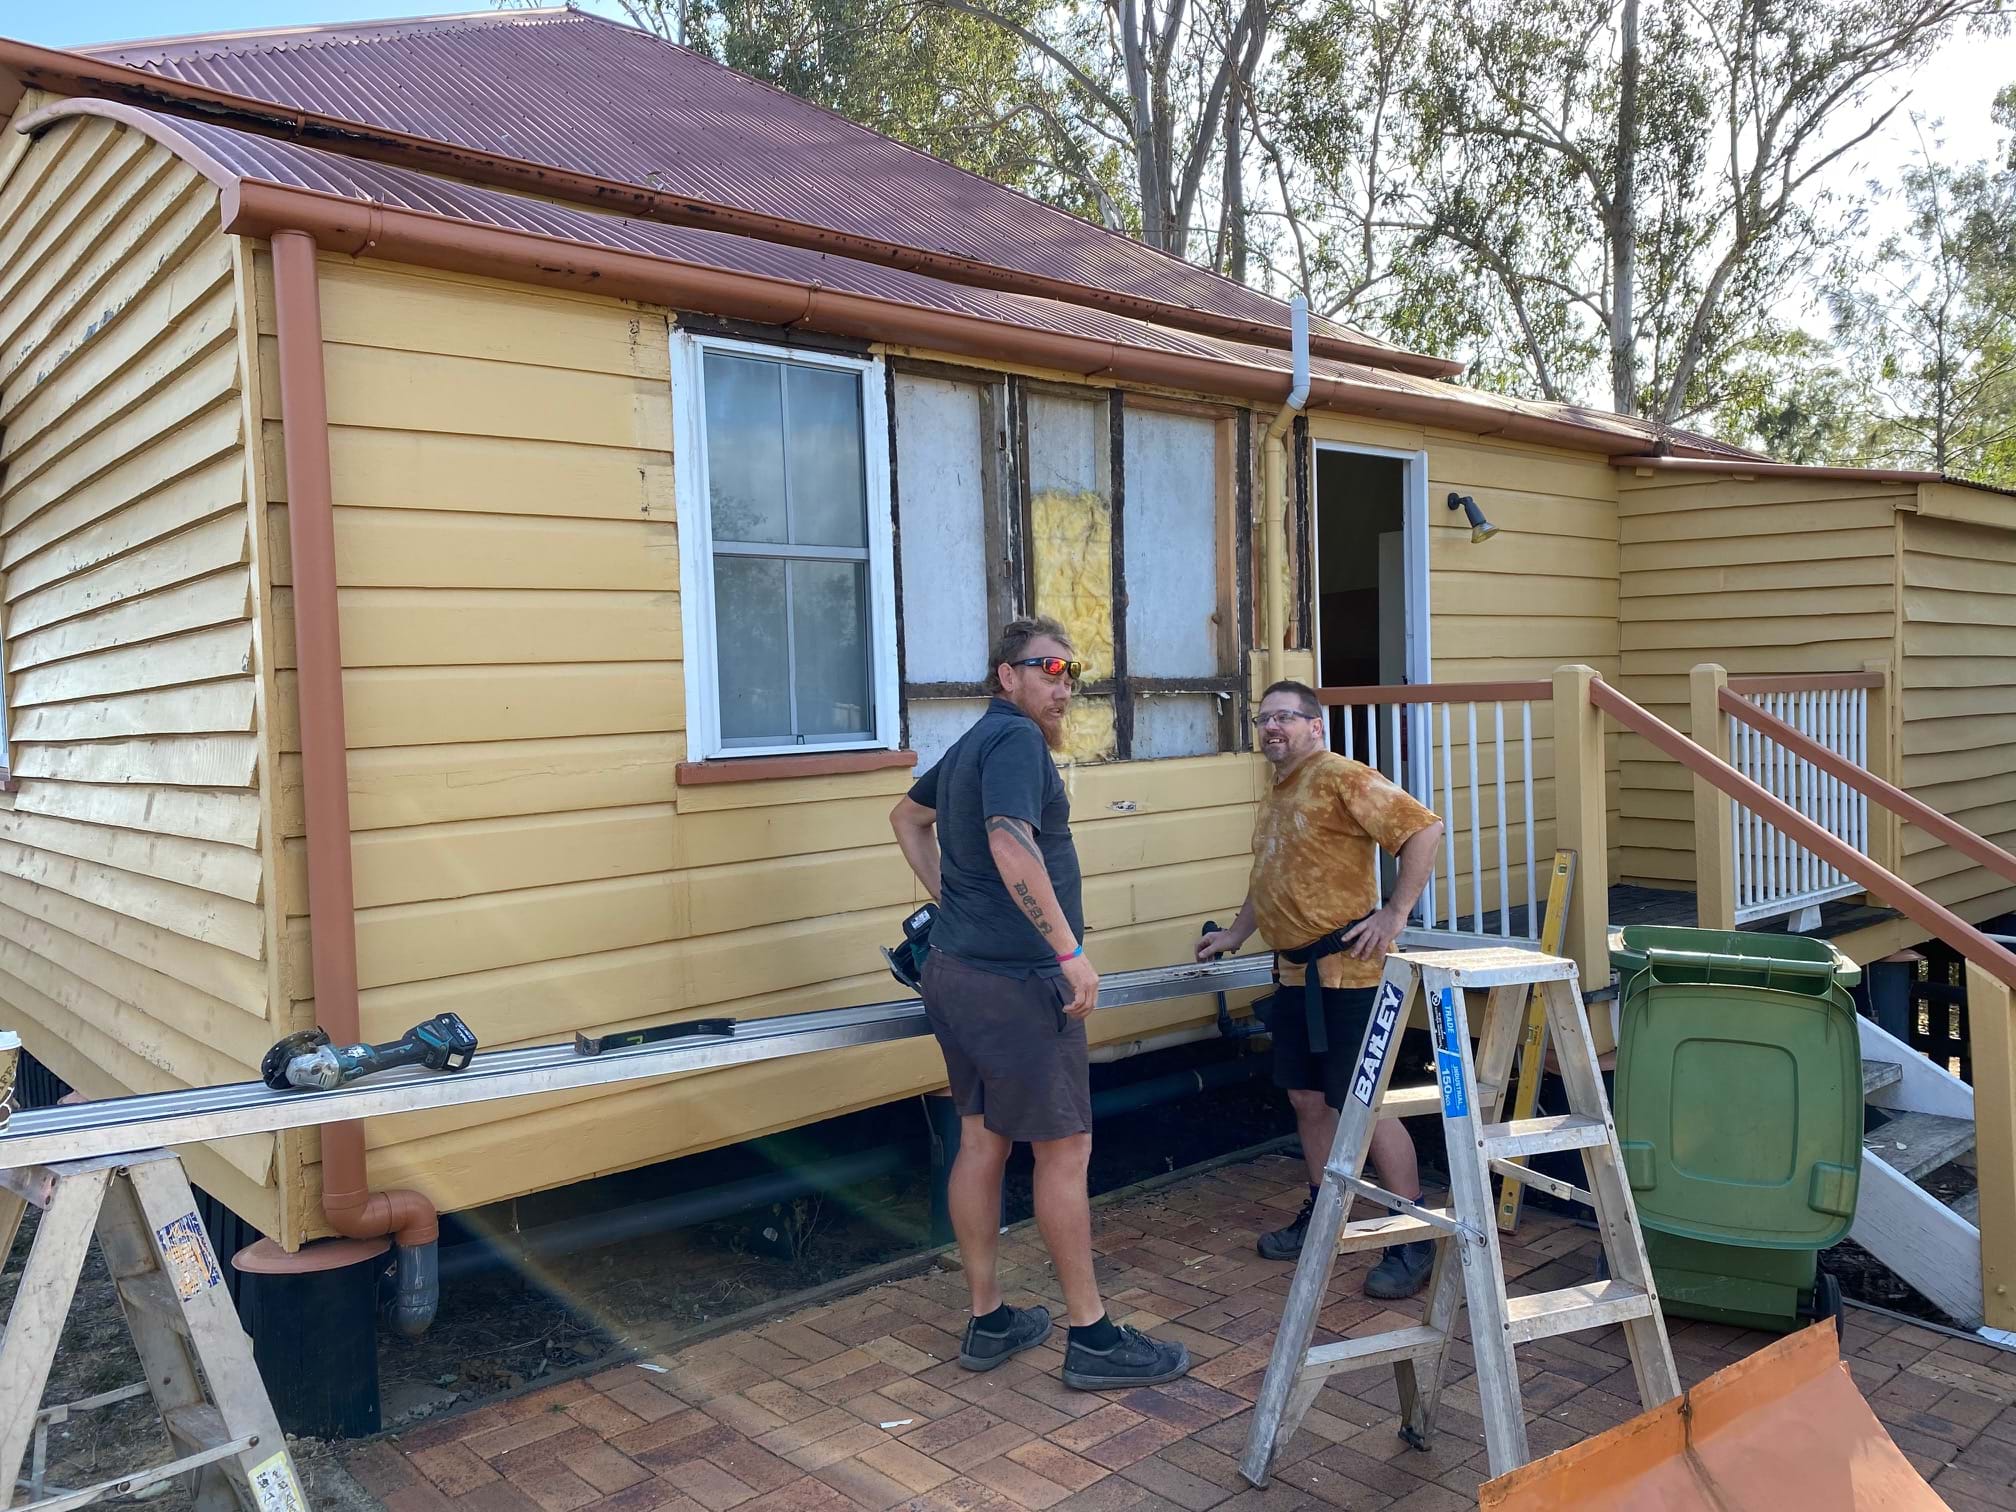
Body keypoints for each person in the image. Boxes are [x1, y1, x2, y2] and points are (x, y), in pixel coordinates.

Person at [889, 616, 1191, 1390]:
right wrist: (1067, 950)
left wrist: (955, 907)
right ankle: (1092, 1338)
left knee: (982, 1141)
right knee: (1064, 1151)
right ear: (1007, 677)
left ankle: (989, 1319)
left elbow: (906, 818)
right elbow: (1008, 843)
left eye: (1071, 671)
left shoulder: (972, 743)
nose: (1063, 684)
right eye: (1047, 667)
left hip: (955, 975)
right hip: (1016, 985)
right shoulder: (1015, 742)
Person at [1198, 679, 1447, 1298]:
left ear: (1315, 726)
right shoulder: (1278, 792)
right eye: (1263, 721)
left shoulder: (1342, 775)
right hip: (1292, 974)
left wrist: (1394, 914)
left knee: (1365, 1104)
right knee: (1309, 1102)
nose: (1272, 729)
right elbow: (1271, 874)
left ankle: (1412, 1234)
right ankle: (1324, 1215)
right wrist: (1235, 932)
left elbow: (1424, 829)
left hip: (1350, 975)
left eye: (1284, 717)